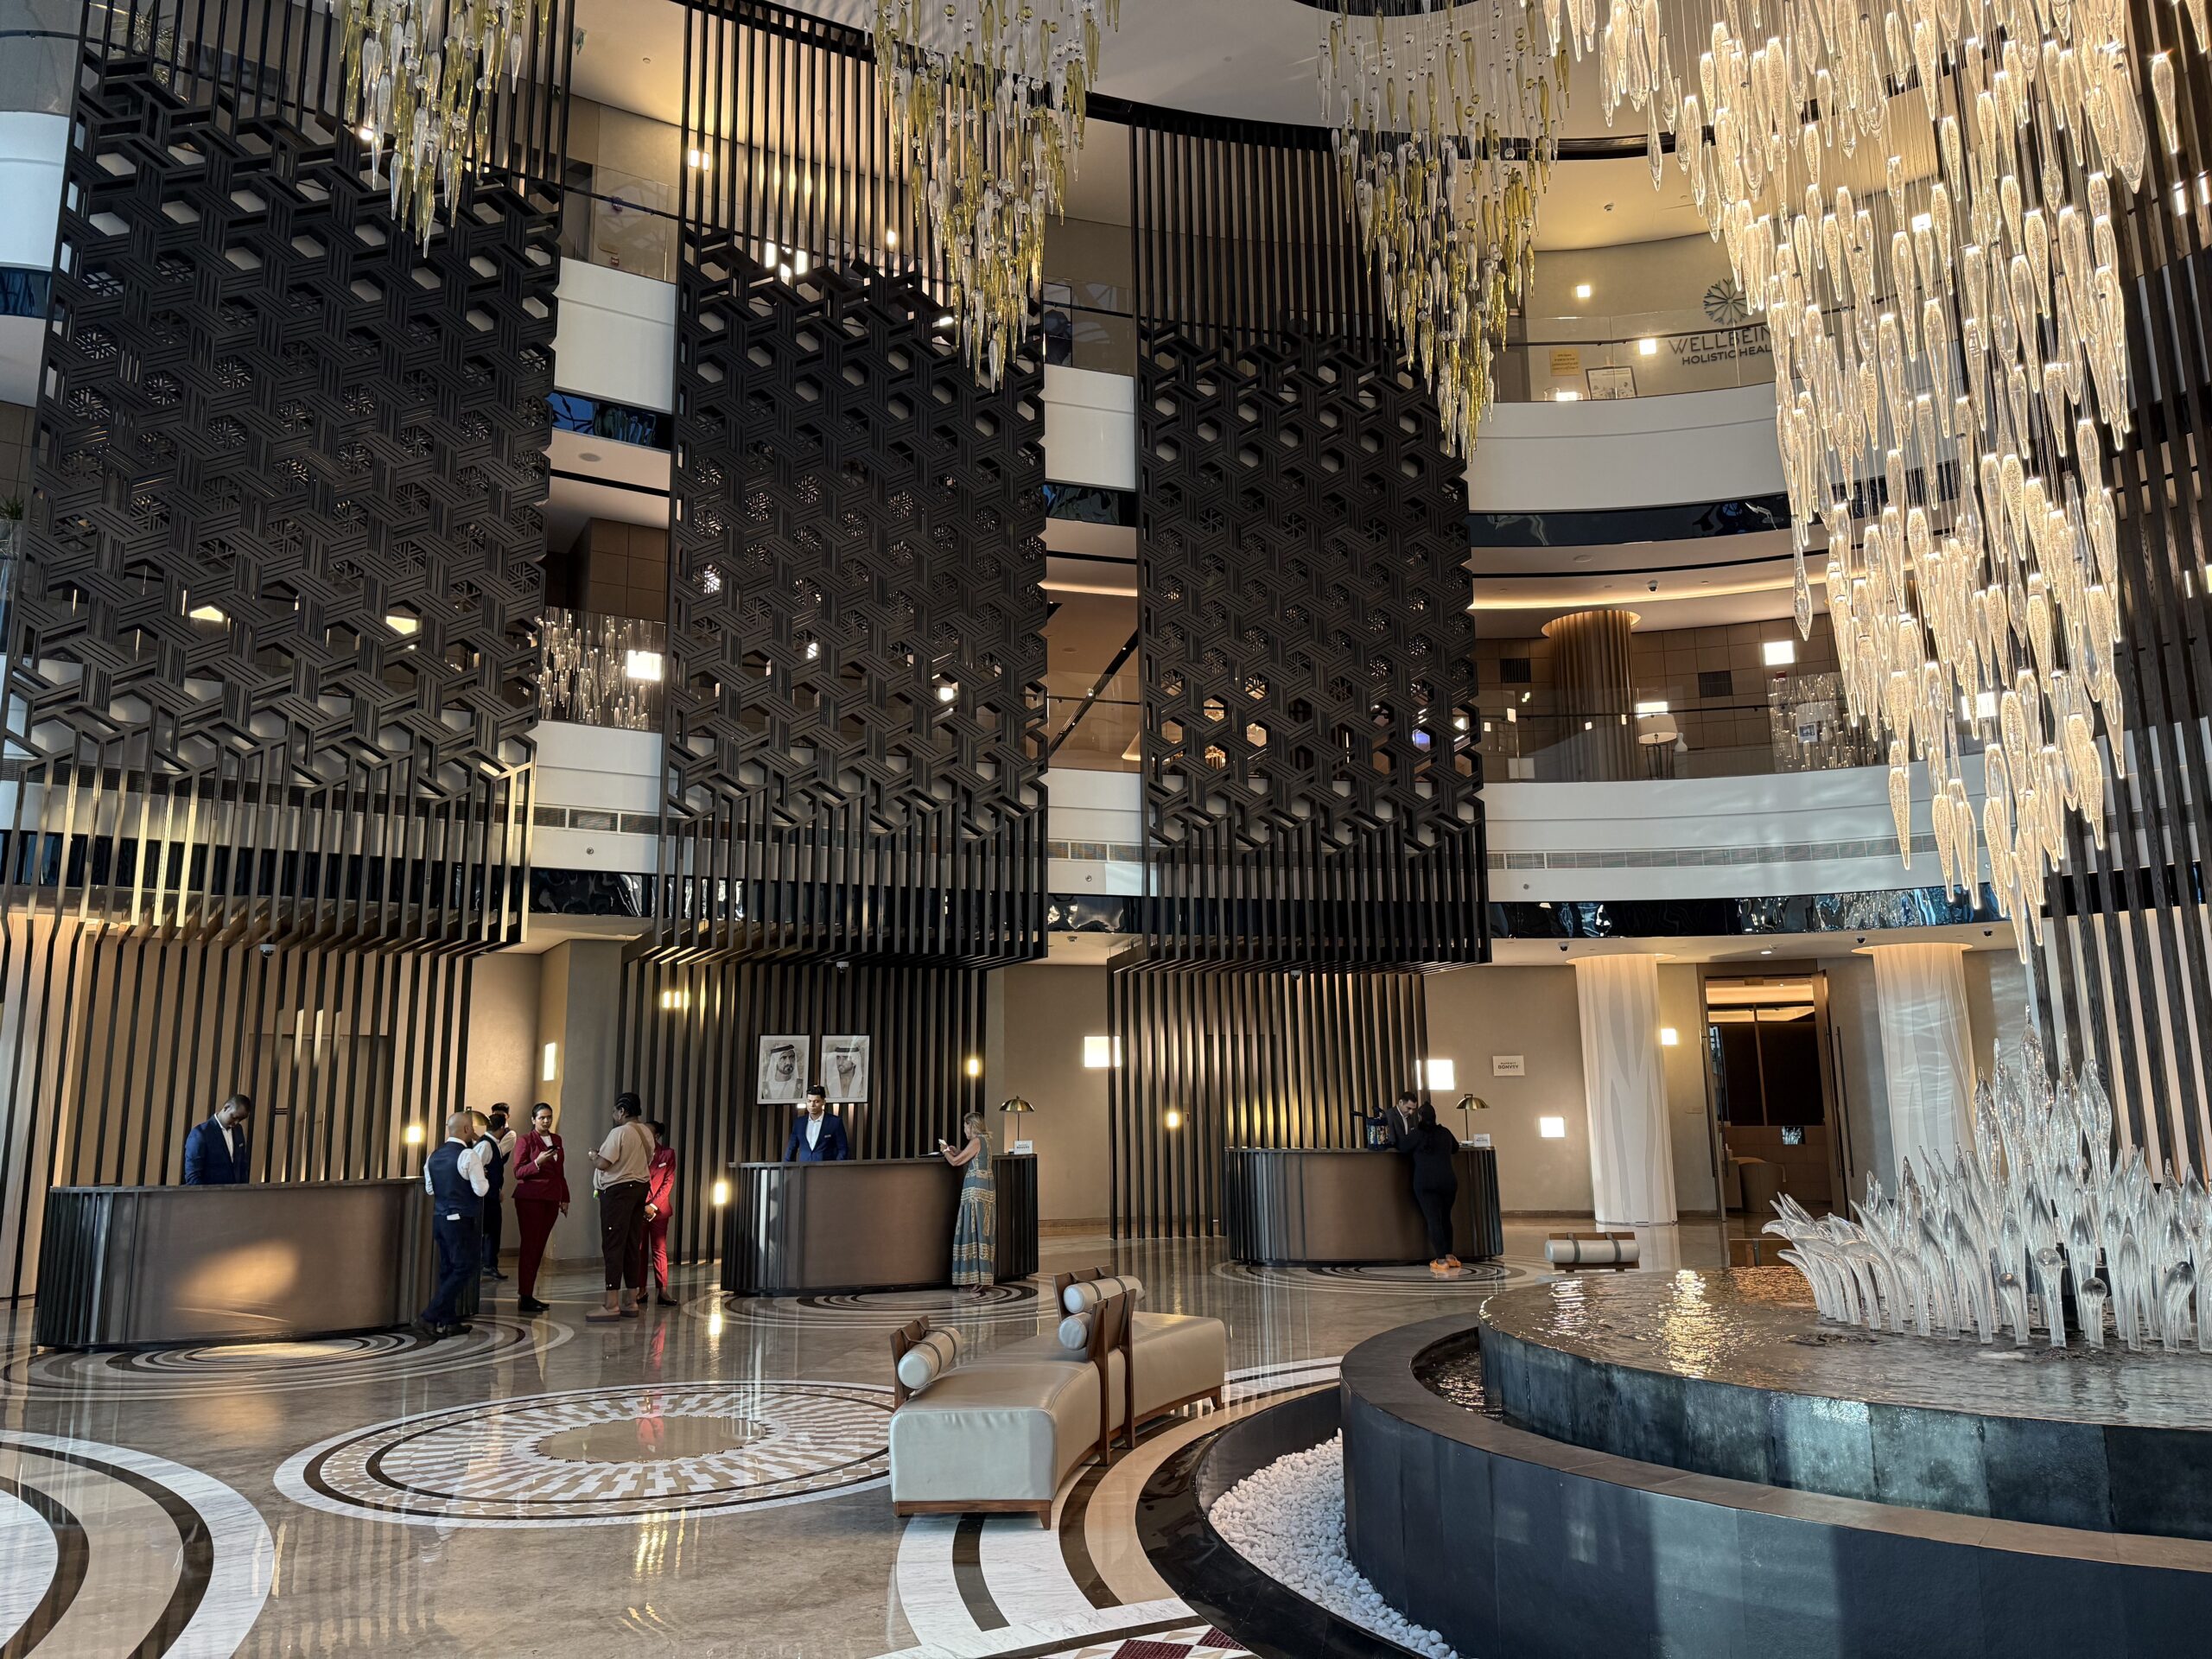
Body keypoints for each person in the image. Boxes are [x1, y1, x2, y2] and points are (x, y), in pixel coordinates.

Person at [416, 1109, 492, 1338]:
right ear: (467, 1130)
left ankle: (449, 1321)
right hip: (461, 1220)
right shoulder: (468, 1156)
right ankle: (429, 1316)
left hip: (440, 1219)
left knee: (447, 1268)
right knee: (465, 1267)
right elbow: (482, 1189)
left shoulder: (433, 1156)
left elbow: (430, 1189)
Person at [585, 1092, 654, 1323]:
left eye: (615, 1111)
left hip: (618, 1193)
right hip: (640, 1190)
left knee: (614, 1244)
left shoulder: (620, 1132)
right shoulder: (647, 1132)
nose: (614, 1115)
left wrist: (594, 1156)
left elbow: (605, 1163)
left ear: (622, 1111)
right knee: (632, 1244)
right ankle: (631, 1301)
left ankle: (611, 1304)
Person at [511, 1102, 569, 1314]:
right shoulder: (526, 1140)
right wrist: (537, 1162)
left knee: (539, 1245)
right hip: (531, 1199)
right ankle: (525, 1295)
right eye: (542, 1117)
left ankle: (529, 1294)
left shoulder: (557, 1140)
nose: (546, 1121)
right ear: (533, 1119)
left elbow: (560, 1171)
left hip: (551, 1198)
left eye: (549, 1117)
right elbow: (518, 1172)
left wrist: (565, 1197)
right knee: (530, 1246)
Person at [938, 1110, 995, 1296]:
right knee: (981, 1233)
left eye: (965, 1126)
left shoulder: (976, 1141)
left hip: (975, 1193)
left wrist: (946, 1150)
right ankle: (981, 1277)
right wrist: (959, 1151)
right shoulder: (985, 1141)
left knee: (972, 1231)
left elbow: (955, 1162)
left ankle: (974, 1279)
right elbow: (971, 1159)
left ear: (972, 1125)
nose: (964, 1130)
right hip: (985, 1190)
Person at [1405, 1102, 1463, 1275]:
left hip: (1425, 1183)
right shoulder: (1445, 1133)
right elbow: (1456, 1148)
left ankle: (1440, 1260)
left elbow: (1401, 1147)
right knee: (1446, 1217)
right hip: (1448, 1181)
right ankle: (1451, 1257)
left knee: (1433, 1219)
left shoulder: (1417, 1135)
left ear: (1420, 1117)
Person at [645, 1119, 679, 1307]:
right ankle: (640, 1290)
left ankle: (662, 1291)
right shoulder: (636, 1152)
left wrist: (653, 1205)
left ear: (656, 1135)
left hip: (659, 1210)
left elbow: (668, 1182)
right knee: (639, 1251)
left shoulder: (667, 1153)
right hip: (639, 1209)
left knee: (659, 1250)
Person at [182, 1094, 253, 1185]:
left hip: (235, 1195)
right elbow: (193, 1176)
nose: (236, 1122)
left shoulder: (238, 1130)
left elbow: (242, 1165)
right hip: (210, 1196)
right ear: (226, 1107)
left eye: (240, 1120)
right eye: (234, 1117)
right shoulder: (200, 1133)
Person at [480, 1105, 514, 1281]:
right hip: (486, 1195)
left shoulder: (488, 1142)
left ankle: (489, 1264)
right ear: (501, 1129)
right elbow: (477, 1165)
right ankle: (488, 1264)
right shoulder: (486, 1144)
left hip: (491, 1192)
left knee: (491, 1230)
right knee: (491, 1230)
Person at [780, 1084, 850, 1161]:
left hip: (827, 1169)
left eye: (816, 1101)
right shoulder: (799, 1123)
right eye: (809, 1101)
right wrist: (785, 1168)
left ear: (823, 1102)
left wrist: (835, 1168)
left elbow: (843, 1149)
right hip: (803, 1169)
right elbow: (791, 1148)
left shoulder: (835, 1122)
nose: (812, 1105)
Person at [1368, 1090, 1421, 1154]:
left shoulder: (1410, 1116)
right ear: (1401, 1102)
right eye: (1409, 1108)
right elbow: (1391, 1142)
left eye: (1413, 1109)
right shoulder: (1389, 1115)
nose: (1411, 1112)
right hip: (1395, 1156)